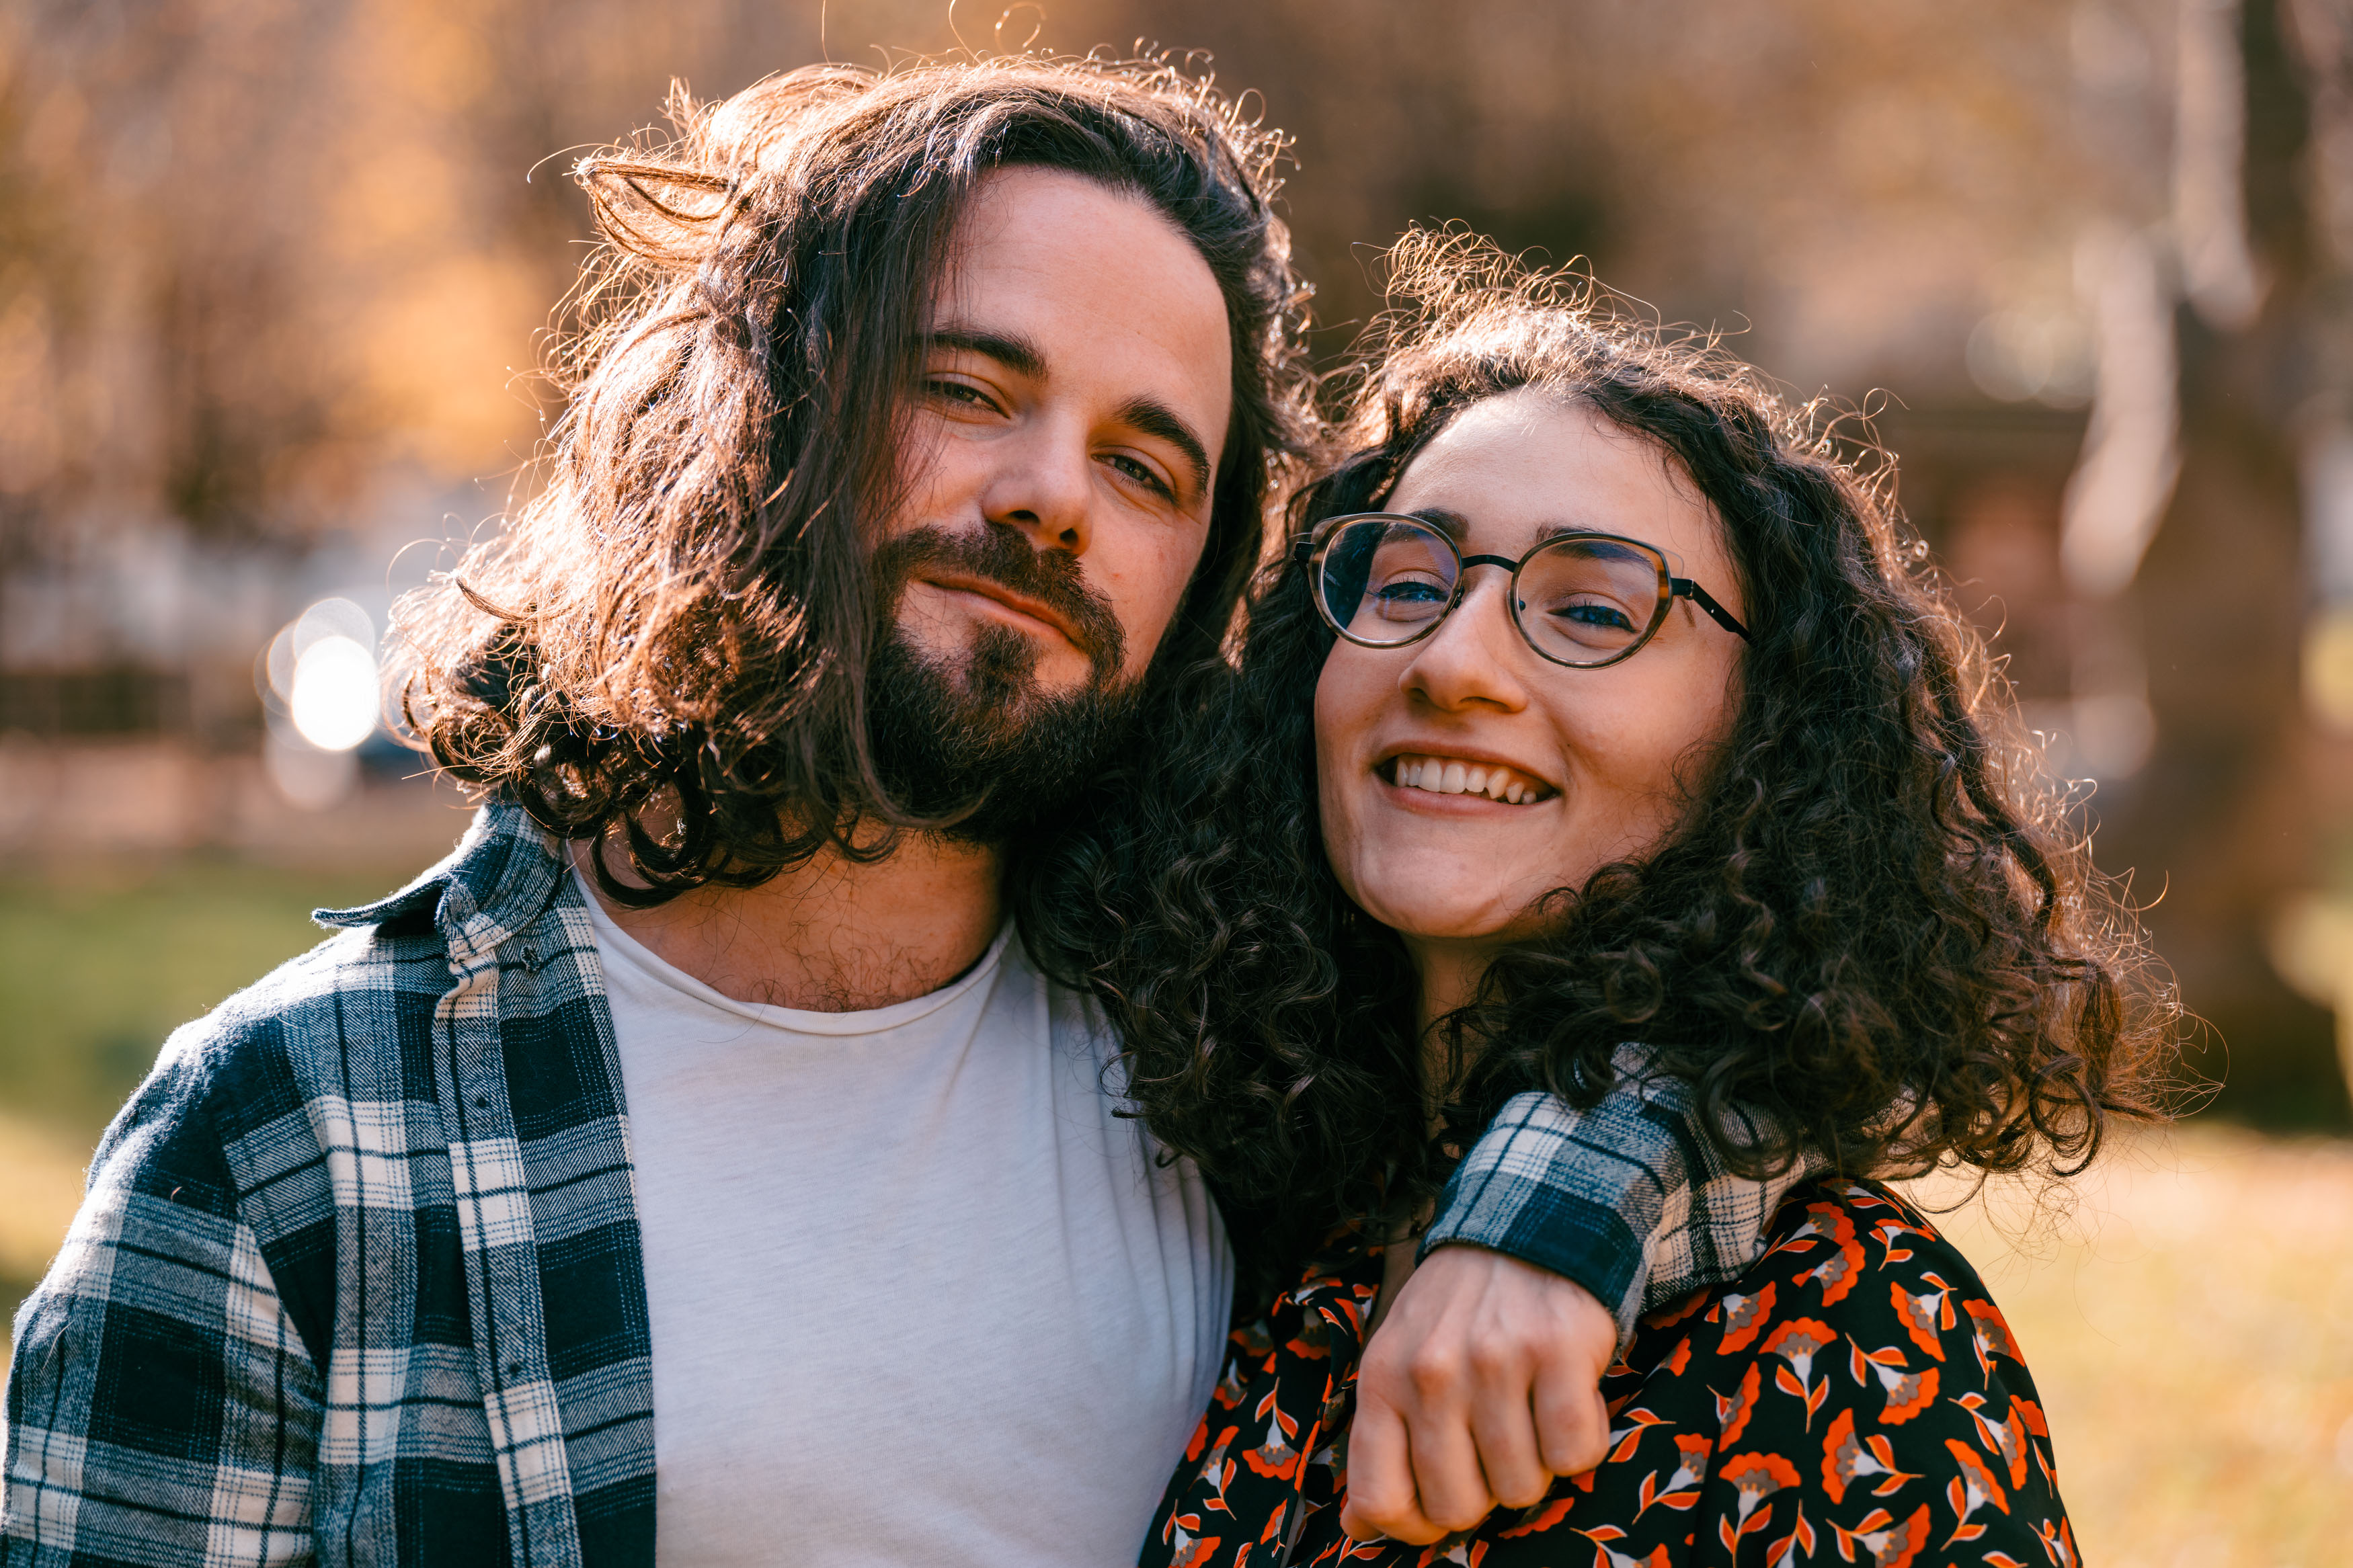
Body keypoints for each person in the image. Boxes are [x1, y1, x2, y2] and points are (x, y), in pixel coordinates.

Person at [3, 61, 1803, 1567]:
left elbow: (1755, 997)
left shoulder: (1234, 1057)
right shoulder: (293, 1139)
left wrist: (1546, 1213)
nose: (1049, 499)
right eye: (969, 389)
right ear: (770, 407)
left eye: (1141, 463)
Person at [1045, 235, 2170, 1565]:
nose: (1453, 659)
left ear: (1765, 740)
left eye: (1590, 610)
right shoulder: (1259, 1244)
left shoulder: (1855, 1337)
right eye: (1407, 582)